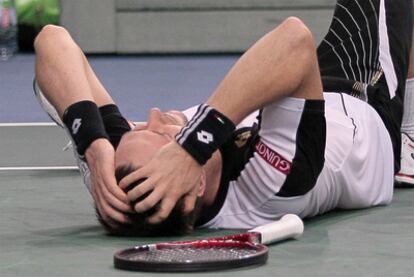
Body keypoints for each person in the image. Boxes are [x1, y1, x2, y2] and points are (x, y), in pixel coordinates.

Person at [33, 0, 412, 235]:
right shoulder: (270, 185)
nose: (151, 116)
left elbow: (52, 41)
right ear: (194, 184)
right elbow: (294, 41)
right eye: (166, 141)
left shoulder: (129, 184)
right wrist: (191, 146)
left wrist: (94, 148)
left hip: (287, 96)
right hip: (358, 100)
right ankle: (409, 136)